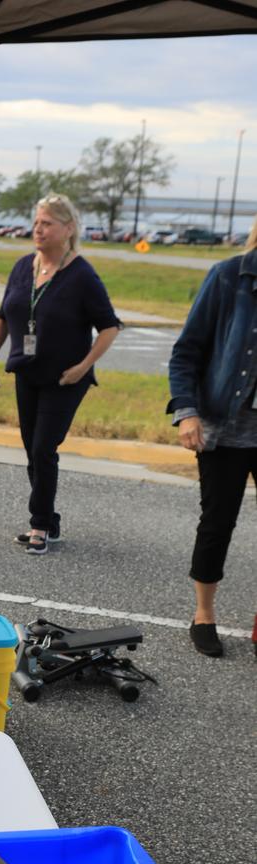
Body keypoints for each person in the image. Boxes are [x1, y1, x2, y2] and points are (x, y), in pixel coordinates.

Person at [0, 194, 121, 555]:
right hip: (27, 371)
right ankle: (49, 519)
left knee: (44, 448)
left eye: (47, 224)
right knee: (32, 448)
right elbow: (3, 316)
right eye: (37, 222)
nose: (38, 230)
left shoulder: (82, 275)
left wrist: (83, 366)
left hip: (65, 379)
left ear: (68, 229)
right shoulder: (23, 266)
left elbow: (109, 327)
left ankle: (40, 523)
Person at [167, 216, 257, 658]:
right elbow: (186, 350)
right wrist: (187, 413)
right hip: (225, 428)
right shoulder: (228, 277)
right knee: (218, 522)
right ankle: (204, 615)